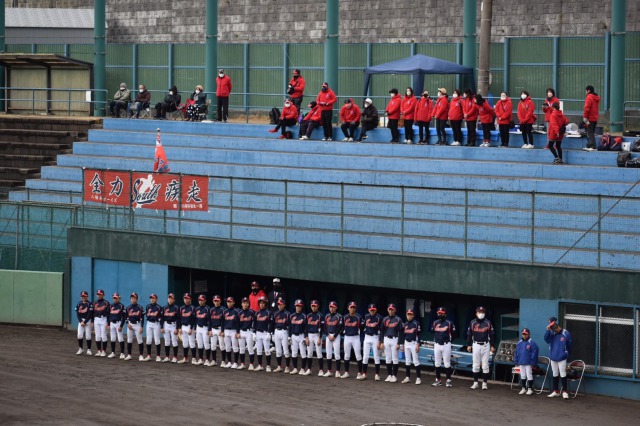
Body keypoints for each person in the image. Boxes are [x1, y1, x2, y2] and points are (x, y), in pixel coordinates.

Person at [466, 306, 496, 389]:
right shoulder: (472, 322)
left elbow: (491, 335)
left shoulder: (488, 322)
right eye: (479, 312)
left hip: (486, 345)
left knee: (485, 365)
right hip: (476, 344)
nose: (481, 314)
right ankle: (475, 382)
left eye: (482, 312)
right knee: (475, 365)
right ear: (476, 313)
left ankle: (484, 383)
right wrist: (468, 345)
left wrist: (492, 345)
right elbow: (469, 334)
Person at [544, 317, 573, 399]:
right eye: (554, 330)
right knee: (555, 374)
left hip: (562, 357)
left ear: (558, 327)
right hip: (553, 357)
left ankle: (564, 392)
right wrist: (547, 330)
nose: (556, 331)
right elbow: (546, 339)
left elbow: (570, 345)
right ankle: (556, 391)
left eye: (556, 329)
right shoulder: (552, 333)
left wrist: (566, 354)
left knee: (563, 373)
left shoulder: (566, 333)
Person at [431, 306, 455, 387]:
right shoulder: (435, 322)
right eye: (439, 313)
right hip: (437, 344)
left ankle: (448, 380)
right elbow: (433, 332)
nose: (440, 314)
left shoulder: (449, 323)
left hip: (446, 345)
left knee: (447, 363)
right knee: (437, 363)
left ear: (445, 314)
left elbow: (454, 334)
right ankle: (438, 380)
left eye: (442, 313)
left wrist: (449, 341)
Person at [380, 303, 403, 383]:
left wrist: (399, 343)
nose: (390, 311)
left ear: (395, 310)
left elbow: (401, 332)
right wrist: (381, 342)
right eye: (389, 309)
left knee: (395, 358)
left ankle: (394, 376)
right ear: (387, 310)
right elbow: (382, 330)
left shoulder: (398, 319)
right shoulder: (385, 319)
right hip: (386, 339)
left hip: (394, 339)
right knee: (388, 358)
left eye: (392, 309)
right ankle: (389, 375)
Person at [360, 303, 382, 381]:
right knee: (365, 356)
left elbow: (382, 330)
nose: (372, 311)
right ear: (369, 310)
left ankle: (377, 375)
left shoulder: (379, 317)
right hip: (367, 337)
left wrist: (380, 341)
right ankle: (364, 374)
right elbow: (362, 326)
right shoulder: (366, 316)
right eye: (371, 310)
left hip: (375, 337)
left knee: (376, 356)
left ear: (376, 310)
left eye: (373, 310)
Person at [513, 327, 539, 395]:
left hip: (528, 363)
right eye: (523, 334)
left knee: (529, 374)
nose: (524, 335)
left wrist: (532, 363)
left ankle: (530, 389)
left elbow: (534, 353)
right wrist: (516, 361)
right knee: (522, 374)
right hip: (521, 361)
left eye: (526, 334)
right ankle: (523, 388)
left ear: (529, 334)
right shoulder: (519, 343)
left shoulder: (532, 343)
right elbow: (516, 352)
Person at [341, 301, 363, 379]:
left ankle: (360, 373)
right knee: (346, 355)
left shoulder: (359, 317)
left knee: (358, 356)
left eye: (354, 308)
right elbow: (342, 327)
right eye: (351, 307)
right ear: (348, 308)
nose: (352, 309)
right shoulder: (344, 317)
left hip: (355, 337)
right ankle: (346, 372)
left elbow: (362, 327)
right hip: (347, 337)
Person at [323, 301, 343, 378]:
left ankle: (338, 372)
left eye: (333, 307)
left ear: (336, 307)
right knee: (328, 354)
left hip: (336, 336)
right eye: (330, 307)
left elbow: (340, 327)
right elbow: (324, 327)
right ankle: (329, 371)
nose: (331, 308)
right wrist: (327, 335)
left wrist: (334, 336)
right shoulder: (327, 316)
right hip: (328, 335)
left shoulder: (339, 316)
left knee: (337, 354)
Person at [401, 309, 421, 385]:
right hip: (406, 343)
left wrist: (418, 344)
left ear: (413, 315)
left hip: (413, 343)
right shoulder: (405, 324)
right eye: (408, 314)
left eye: (410, 314)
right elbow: (404, 335)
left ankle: (418, 378)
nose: (409, 316)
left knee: (416, 361)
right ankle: (407, 377)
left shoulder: (416, 323)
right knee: (407, 361)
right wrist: (403, 345)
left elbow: (419, 334)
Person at [289, 299, 308, 375]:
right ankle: (295, 368)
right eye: (297, 306)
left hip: (301, 335)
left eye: (299, 306)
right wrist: (289, 336)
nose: (298, 307)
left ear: (302, 307)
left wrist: (305, 337)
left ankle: (302, 369)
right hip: (293, 336)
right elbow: (290, 327)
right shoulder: (292, 316)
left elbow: (306, 327)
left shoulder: (304, 316)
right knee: (294, 353)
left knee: (303, 353)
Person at [123, 292, 145, 361]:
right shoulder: (128, 308)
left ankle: (141, 355)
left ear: (137, 299)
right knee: (129, 340)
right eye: (132, 298)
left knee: (140, 340)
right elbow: (125, 317)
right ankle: (129, 355)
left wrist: (142, 327)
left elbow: (142, 318)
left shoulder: (140, 307)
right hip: (130, 325)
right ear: (130, 299)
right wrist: (127, 324)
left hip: (137, 325)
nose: (133, 299)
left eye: (134, 298)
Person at [254, 296, 273, 372]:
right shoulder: (257, 313)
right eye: (260, 303)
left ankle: (268, 366)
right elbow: (255, 324)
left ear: (265, 304)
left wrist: (269, 332)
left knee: (267, 350)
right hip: (258, 333)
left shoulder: (269, 312)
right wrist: (254, 333)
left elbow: (271, 324)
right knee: (258, 350)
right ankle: (260, 365)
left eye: (263, 303)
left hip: (265, 333)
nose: (261, 304)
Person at [272, 298, 292, 373]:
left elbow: (290, 326)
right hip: (277, 331)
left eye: (281, 304)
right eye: (278, 305)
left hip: (284, 332)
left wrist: (289, 335)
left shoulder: (288, 314)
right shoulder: (275, 313)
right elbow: (273, 324)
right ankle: (279, 366)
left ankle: (287, 367)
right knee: (278, 350)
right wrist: (272, 333)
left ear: (284, 305)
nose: (279, 306)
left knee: (286, 350)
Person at [142, 293, 163, 362]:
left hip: (156, 324)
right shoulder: (148, 306)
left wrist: (161, 326)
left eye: (153, 298)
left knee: (157, 340)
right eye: (151, 298)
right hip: (149, 323)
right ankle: (149, 356)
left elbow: (161, 317)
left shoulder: (159, 307)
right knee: (148, 340)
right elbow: (146, 315)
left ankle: (158, 356)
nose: (152, 299)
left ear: (156, 299)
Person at [305, 300, 324, 376]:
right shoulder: (308, 315)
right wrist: (306, 337)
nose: (313, 307)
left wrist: (320, 338)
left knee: (319, 353)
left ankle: (321, 370)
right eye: (312, 306)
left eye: (315, 306)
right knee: (309, 353)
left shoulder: (320, 315)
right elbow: (306, 327)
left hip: (317, 335)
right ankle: (309, 369)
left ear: (318, 306)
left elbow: (322, 328)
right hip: (309, 335)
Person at [221, 296, 240, 368]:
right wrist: (222, 331)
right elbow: (222, 322)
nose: (229, 303)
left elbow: (238, 323)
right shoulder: (224, 311)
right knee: (227, 347)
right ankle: (229, 362)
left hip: (233, 331)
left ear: (233, 302)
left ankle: (235, 363)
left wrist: (237, 332)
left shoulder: (236, 311)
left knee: (235, 347)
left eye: (230, 302)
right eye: (228, 302)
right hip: (226, 331)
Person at [177, 293, 196, 364]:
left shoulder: (193, 308)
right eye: (185, 298)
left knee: (192, 343)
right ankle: (185, 358)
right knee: (184, 343)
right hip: (183, 327)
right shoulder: (181, 308)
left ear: (190, 299)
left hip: (189, 326)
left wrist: (191, 328)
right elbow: (179, 318)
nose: (186, 300)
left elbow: (194, 319)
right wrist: (179, 327)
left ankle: (194, 359)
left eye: (187, 298)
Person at [238, 297, 256, 370]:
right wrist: (237, 332)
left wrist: (254, 332)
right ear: (241, 304)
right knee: (241, 349)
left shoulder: (252, 312)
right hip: (241, 331)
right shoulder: (239, 312)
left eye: (246, 303)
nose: (245, 304)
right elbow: (237, 323)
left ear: (248, 304)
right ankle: (243, 364)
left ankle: (251, 364)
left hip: (249, 332)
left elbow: (255, 322)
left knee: (250, 348)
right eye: (244, 303)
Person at [208, 295, 226, 367]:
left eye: (217, 301)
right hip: (213, 329)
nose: (216, 302)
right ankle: (214, 360)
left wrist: (222, 330)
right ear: (213, 301)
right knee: (213, 346)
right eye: (215, 301)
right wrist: (209, 330)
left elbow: (224, 321)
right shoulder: (211, 310)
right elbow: (210, 321)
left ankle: (223, 361)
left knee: (222, 346)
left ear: (220, 301)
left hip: (220, 329)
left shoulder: (223, 309)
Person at [160, 293, 179, 363]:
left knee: (174, 341)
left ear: (174, 300)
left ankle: (175, 357)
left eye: (172, 298)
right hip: (166, 325)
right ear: (167, 299)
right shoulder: (164, 307)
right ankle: (167, 357)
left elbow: (178, 318)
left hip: (173, 325)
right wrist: (162, 327)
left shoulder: (176, 308)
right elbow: (162, 318)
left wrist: (177, 328)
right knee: (167, 341)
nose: (170, 300)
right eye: (169, 298)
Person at [194, 294, 211, 366]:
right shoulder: (197, 308)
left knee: (206, 344)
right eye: (199, 300)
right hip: (198, 327)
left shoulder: (207, 309)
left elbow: (210, 320)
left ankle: (207, 360)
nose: (200, 301)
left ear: (205, 300)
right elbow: (195, 319)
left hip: (205, 328)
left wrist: (209, 329)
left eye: (202, 300)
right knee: (199, 344)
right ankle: (201, 359)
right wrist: (195, 328)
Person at [107, 293, 126, 359]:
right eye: (114, 298)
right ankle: (113, 353)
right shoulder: (111, 305)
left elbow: (124, 317)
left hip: (118, 323)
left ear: (119, 298)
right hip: (112, 323)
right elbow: (108, 315)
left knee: (120, 338)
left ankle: (122, 353)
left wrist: (121, 326)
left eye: (116, 298)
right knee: (112, 338)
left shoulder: (122, 306)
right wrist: (108, 324)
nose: (115, 299)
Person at [92, 289, 110, 357]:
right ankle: (99, 350)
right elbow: (92, 313)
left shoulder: (106, 303)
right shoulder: (94, 303)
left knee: (103, 335)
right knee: (97, 336)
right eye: (98, 294)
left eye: (100, 294)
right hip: (96, 319)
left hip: (103, 319)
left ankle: (104, 351)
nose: (99, 295)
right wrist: (92, 321)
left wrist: (108, 322)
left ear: (103, 295)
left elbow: (108, 313)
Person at [583, 85, 601, 151]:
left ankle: (593, 146)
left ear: (588, 91)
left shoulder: (589, 97)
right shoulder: (596, 98)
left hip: (589, 118)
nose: (585, 92)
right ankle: (590, 145)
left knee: (589, 133)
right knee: (591, 132)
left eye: (586, 91)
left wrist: (585, 117)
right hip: (595, 118)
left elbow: (587, 108)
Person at [75, 290, 93, 355]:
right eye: (82, 296)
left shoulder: (89, 304)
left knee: (88, 336)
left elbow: (90, 314)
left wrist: (85, 322)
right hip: (81, 321)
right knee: (79, 335)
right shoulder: (79, 304)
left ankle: (89, 349)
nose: (83, 297)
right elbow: (77, 314)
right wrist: (81, 321)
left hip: (87, 321)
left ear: (87, 296)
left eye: (85, 296)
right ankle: (80, 348)